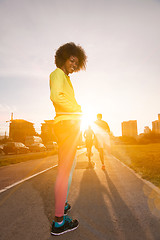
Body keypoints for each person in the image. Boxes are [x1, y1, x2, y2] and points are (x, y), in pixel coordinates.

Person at [50, 42, 87, 235]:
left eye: (76, 63)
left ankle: (61, 203)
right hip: (66, 125)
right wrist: (78, 109)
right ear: (63, 57)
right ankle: (58, 222)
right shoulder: (57, 74)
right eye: (72, 60)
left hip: (70, 125)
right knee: (64, 171)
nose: (74, 65)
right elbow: (56, 97)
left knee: (69, 167)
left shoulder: (66, 77)